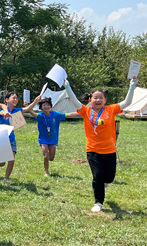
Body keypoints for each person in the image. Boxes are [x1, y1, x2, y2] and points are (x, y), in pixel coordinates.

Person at [64, 77, 138, 212]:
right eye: (95, 98)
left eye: (100, 98)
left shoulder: (111, 110)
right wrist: (67, 86)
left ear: (105, 100)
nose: (97, 100)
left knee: (109, 178)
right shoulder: (86, 111)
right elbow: (74, 101)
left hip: (110, 150)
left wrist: (132, 86)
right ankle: (98, 202)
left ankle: (103, 184)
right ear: (90, 100)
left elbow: (127, 102)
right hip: (93, 150)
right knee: (97, 176)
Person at [0, 91, 38, 184]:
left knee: (11, 159)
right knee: (1, 164)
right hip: (1, 138)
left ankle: (6, 179)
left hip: (11, 138)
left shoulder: (16, 110)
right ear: (7, 100)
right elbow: (2, 113)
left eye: (16, 98)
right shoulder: (2, 110)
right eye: (13, 98)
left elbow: (28, 108)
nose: (15, 99)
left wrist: (36, 101)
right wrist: (5, 114)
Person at [34, 97, 66, 177]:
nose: (46, 106)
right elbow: (33, 114)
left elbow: (67, 115)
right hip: (43, 139)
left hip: (53, 139)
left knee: (51, 158)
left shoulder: (56, 114)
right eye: (44, 105)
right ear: (41, 107)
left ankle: (47, 164)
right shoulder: (40, 115)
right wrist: (28, 107)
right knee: (46, 156)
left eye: (48, 105)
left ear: (50, 106)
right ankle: (46, 172)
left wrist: (81, 112)